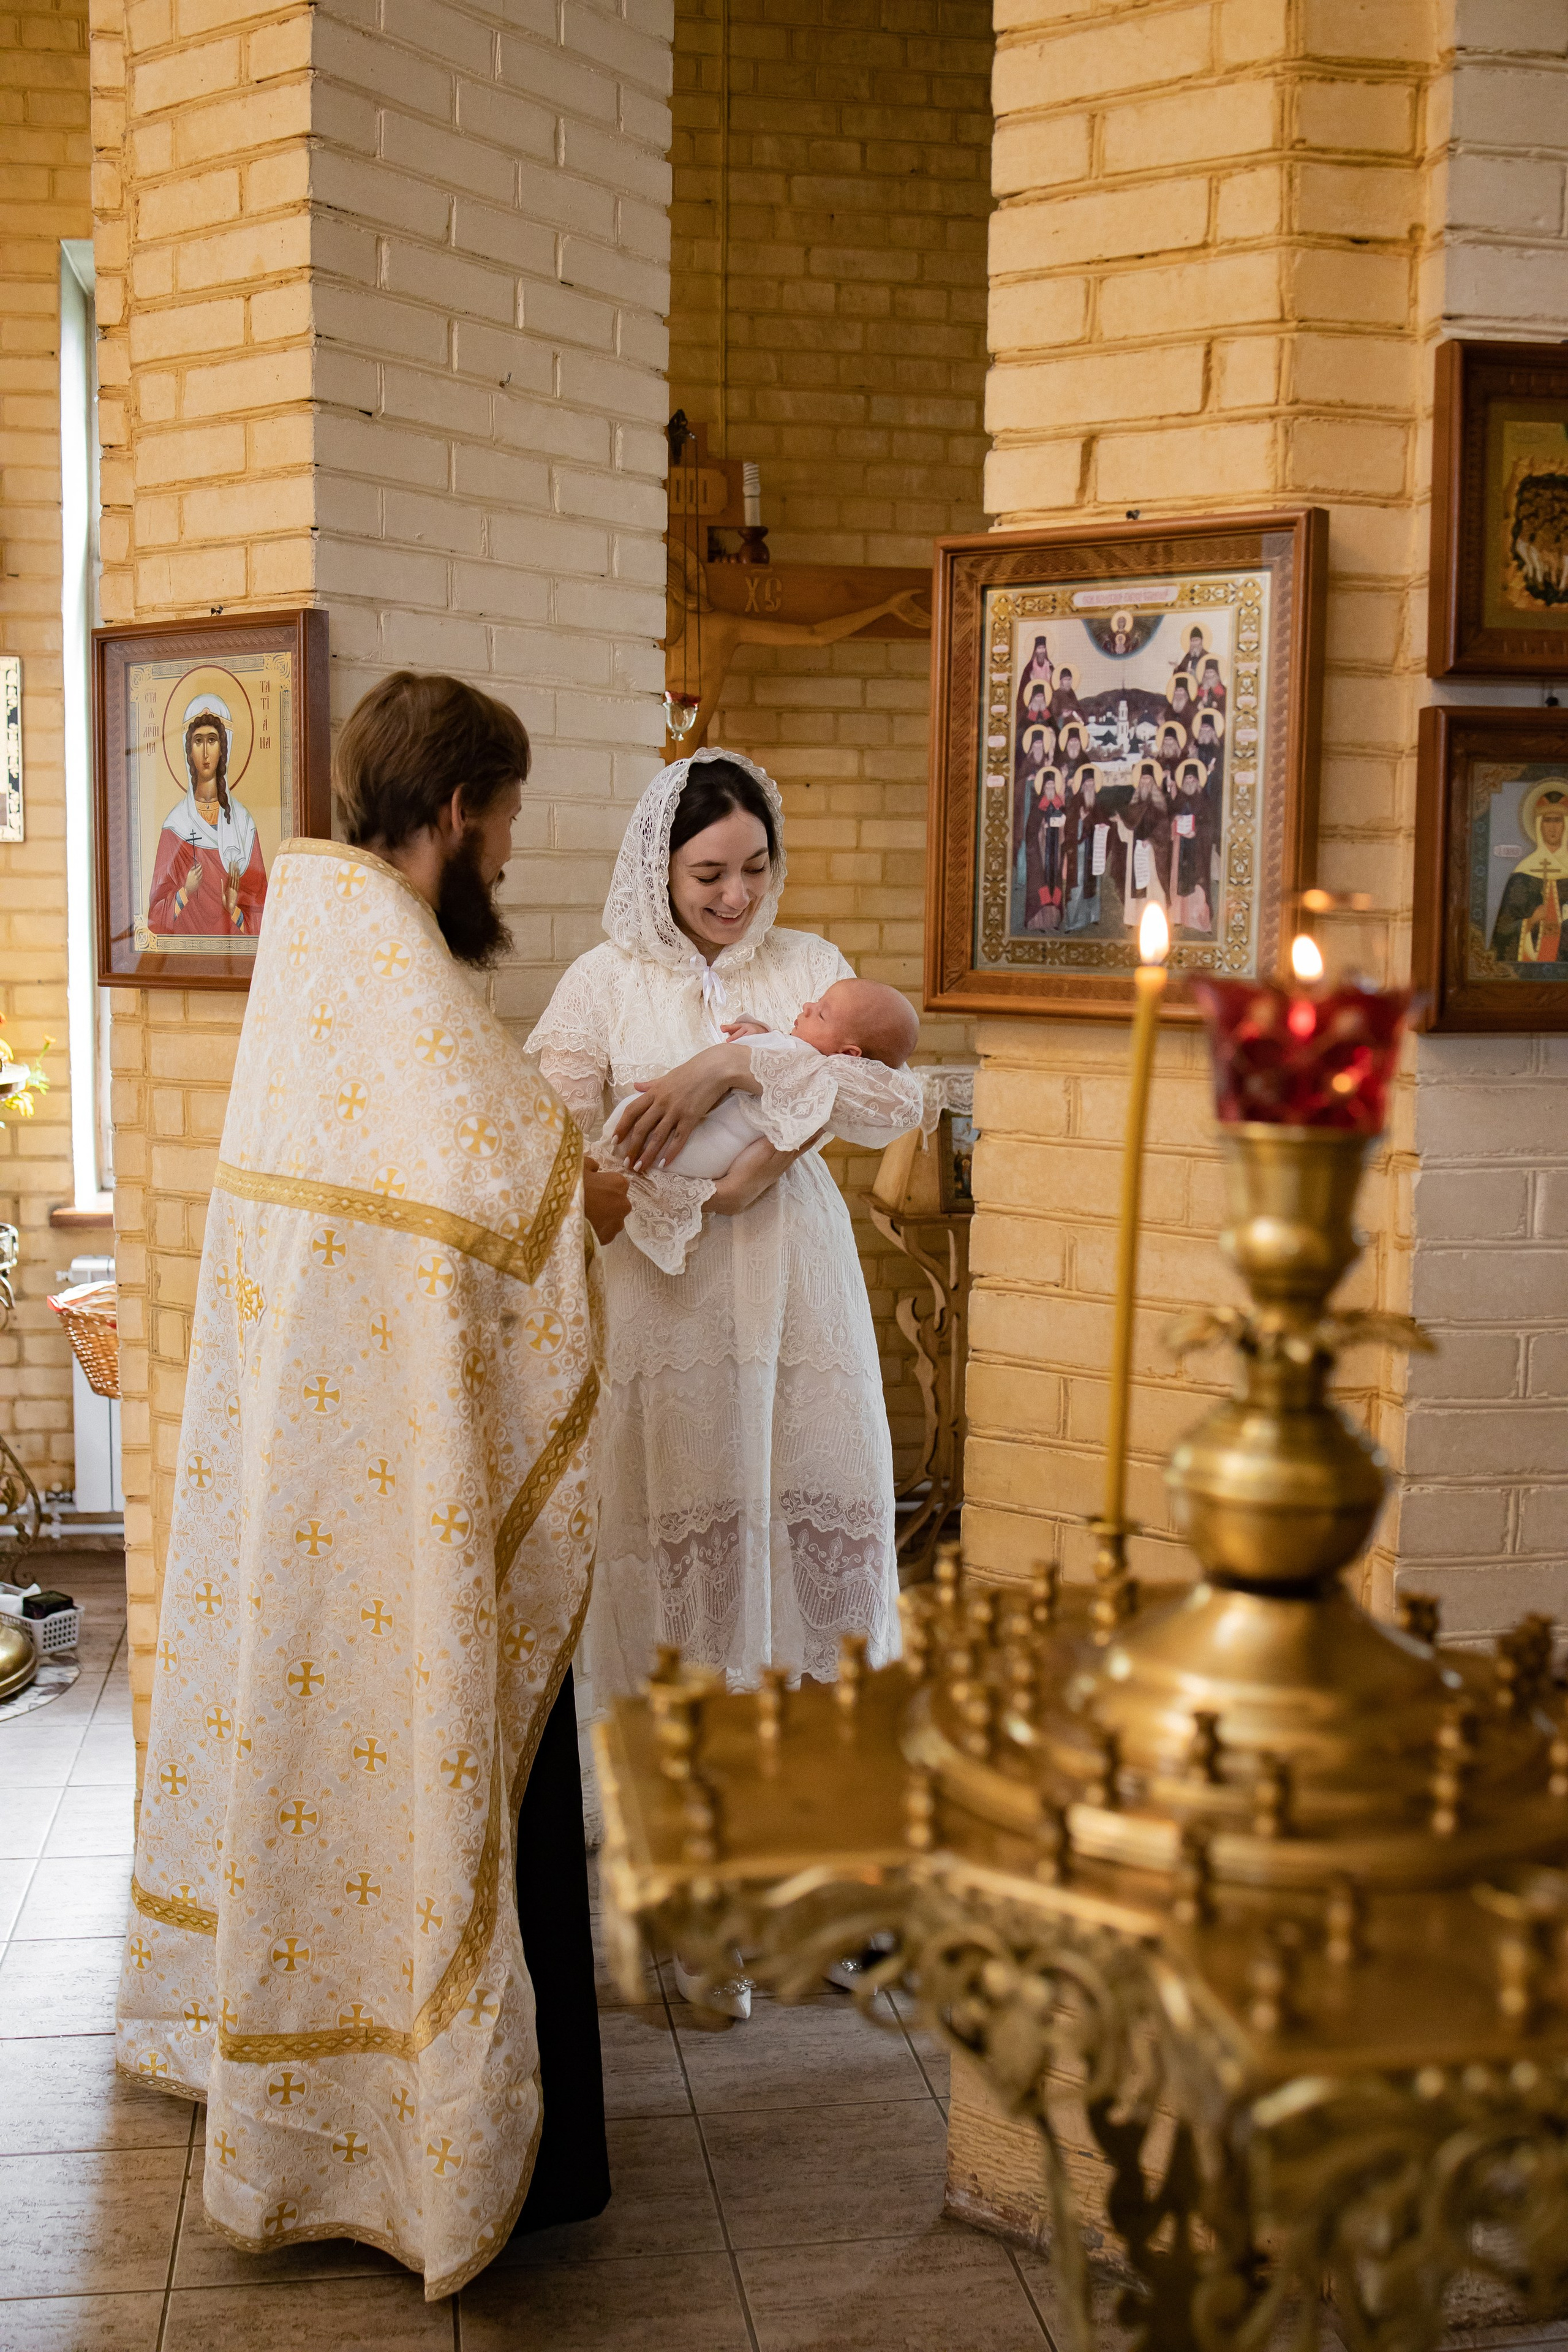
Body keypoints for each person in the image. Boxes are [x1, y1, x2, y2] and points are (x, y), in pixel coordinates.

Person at [116, 671, 625, 2296]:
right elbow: (522, 1195)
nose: (511, 854)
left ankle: (317, 2111)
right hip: (411, 1523)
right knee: (464, 1783)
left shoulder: (313, 967)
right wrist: (589, 1202)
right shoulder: (403, 992)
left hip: (318, 1503)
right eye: (509, 819)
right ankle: (455, 2151)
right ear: (459, 811)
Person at [527, 748, 922, 1716]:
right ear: (658, 869)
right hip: (661, 1286)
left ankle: (811, 1744)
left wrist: (733, 1071)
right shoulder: (602, 981)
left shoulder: (810, 965)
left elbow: (889, 1095)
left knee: (808, 1478)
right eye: (709, 873)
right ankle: (666, 1749)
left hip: (795, 1273)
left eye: (754, 867)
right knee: (672, 1500)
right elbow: (548, 1135)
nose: (737, 895)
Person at [600, 979, 919, 1271]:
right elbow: (774, 1055)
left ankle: (641, 1165)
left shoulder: (823, 1072)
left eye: (822, 1014)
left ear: (849, 1054)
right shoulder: (802, 1054)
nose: (807, 1006)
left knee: (685, 1146)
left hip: (734, 1170)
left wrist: (732, 1060)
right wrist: (757, 1030)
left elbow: (902, 1104)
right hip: (694, 1150)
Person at [146, 697, 268, 935]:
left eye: (212, 740)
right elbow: (155, 918)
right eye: (198, 741)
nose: (205, 752)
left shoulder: (244, 825)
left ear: (223, 748)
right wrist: (185, 892)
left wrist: (233, 910)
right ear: (188, 750)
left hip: (233, 950)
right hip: (185, 952)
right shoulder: (175, 826)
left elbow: (264, 918)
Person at [1491, 782, 1568, 963]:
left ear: (1566, 825)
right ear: (1539, 825)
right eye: (1547, 820)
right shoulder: (1522, 874)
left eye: (1558, 820)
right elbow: (1502, 932)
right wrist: (1531, 921)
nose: (1553, 827)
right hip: (1530, 965)